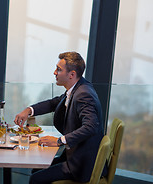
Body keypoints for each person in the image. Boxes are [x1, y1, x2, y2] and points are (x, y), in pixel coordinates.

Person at [14, 52, 106, 184]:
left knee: (36, 179)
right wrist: (29, 110)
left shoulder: (83, 94)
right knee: (36, 170)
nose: (54, 72)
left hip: (82, 165)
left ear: (72, 74)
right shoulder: (78, 88)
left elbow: (91, 126)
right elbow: (53, 103)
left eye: (58, 69)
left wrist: (59, 141)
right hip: (76, 156)